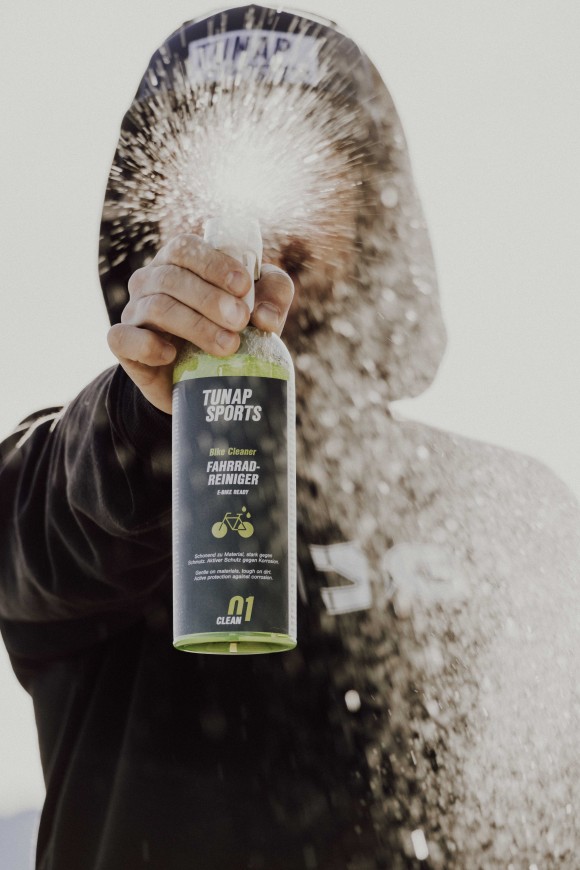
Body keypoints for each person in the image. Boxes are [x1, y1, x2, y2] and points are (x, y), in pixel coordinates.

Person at [2, 6, 580, 869]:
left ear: (373, 208)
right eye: (203, 153)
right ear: (147, 229)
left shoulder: (508, 507)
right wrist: (149, 412)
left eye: (309, 150)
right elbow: (64, 520)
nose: (258, 213)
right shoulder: (64, 483)